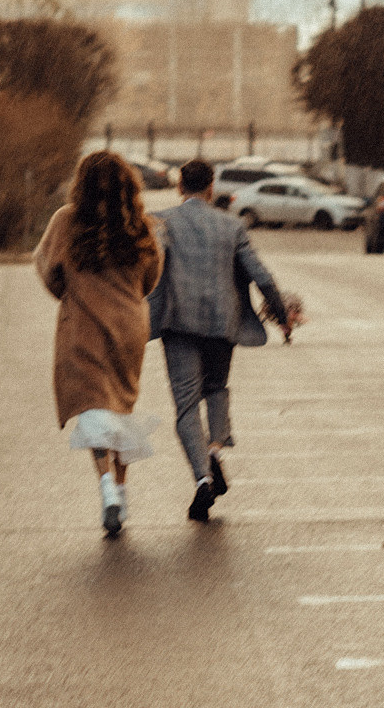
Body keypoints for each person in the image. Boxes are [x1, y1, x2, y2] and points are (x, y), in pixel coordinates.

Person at [148, 158, 303, 523]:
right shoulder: (232, 226)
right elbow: (260, 275)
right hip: (223, 324)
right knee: (216, 388)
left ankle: (202, 477)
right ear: (211, 187)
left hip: (179, 324)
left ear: (180, 187)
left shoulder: (163, 222)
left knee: (186, 405)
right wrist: (281, 316)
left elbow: (148, 270)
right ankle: (215, 450)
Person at [34, 150, 164, 538]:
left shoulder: (66, 220)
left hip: (85, 324)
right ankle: (121, 495)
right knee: (120, 408)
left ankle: (107, 487)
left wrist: (73, 294)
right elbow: (151, 276)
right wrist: (128, 300)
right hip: (129, 327)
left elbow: (48, 270)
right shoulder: (139, 224)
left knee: (95, 408)